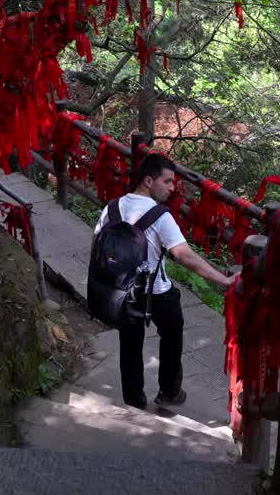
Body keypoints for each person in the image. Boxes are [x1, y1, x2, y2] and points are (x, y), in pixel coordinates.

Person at [93, 153, 235, 410]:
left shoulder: (112, 208)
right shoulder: (160, 216)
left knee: (130, 343)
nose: (172, 189)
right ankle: (169, 392)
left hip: (122, 291)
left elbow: (98, 246)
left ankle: (134, 399)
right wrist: (224, 281)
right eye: (168, 182)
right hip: (155, 291)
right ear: (149, 180)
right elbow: (185, 256)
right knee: (172, 333)